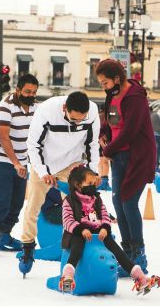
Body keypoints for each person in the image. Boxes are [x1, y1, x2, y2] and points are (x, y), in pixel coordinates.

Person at [21, 91, 101, 276]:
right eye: (74, 119)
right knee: (33, 205)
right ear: (65, 108)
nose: (78, 124)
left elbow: (92, 144)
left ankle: (78, 246)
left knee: (78, 207)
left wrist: (93, 172)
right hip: (44, 162)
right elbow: (33, 145)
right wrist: (43, 172)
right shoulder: (47, 111)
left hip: (71, 163)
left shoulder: (93, 112)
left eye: (82, 120)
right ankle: (27, 246)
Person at [58, 165, 160, 294]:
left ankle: (140, 278)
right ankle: (67, 277)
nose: (92, 186)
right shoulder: (69, 200)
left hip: (99, 233)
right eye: (89, 183)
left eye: (93, 183)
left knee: (118, 252)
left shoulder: (96, 198)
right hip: (79, 233)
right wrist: (81, 230)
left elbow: (104, 215)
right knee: (77, 250)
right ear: (78, 184)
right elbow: (67, 220)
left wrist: (105, 228)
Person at [96, 58, 157, 273]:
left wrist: (107, 150)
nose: (103, 86)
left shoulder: (135, 97)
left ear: (116, 78)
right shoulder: (113, 93)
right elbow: (110, 120)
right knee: (118, 202)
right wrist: (104, 134)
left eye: (105, 82)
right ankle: (127, 255)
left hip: (136, 155)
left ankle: (139, 255)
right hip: (119, 154)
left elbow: (131, 130)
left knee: (129, 202)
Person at [0, 74, 39, 256]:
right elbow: (4, 138)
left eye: (34, 92)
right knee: (3, 200)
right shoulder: (6, 106)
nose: (30, 95)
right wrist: (15, 163)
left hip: (23, 160)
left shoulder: (36, 108)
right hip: (4, 159)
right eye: (27, 91)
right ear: (18, 90)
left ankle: (5, 234)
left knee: (17, 202)